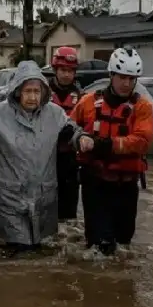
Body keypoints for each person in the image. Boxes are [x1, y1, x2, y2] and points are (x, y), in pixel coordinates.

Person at [0, 61, 94, 253]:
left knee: (41, 254)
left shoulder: (54, 113)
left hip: (43, 196)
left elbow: (72, 130)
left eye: (37, 91)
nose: (33, 97)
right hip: (9, 197)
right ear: (17, 91)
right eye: (28, 91)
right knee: (15, 253)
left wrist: (82, 138)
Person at [70, 47, 153, 256]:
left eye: (131, 79)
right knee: (101, 245)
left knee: (124, 241)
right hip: (95, 183)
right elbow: (68, 127)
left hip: (126, 185)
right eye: (122, 78)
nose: (127, 84)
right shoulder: (88, 102)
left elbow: (142, 141)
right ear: (111, 75)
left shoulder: (142, 107)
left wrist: (104, 144)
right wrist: (80, 138)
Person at [48, 46, 83, 222]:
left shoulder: (80, 95)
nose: (67, 75)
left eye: (70, 71)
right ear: (55, 69)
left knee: (69, 205)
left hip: (69, 155)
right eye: (63, 70)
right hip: (46, 155)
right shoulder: (43, 91)